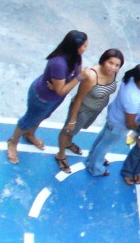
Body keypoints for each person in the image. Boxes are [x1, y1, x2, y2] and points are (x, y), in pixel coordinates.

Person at [6, 31, 88, 164]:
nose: (86, 48)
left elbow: (72, 77)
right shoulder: (58, 63)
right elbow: (62, 89)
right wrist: (78, 78)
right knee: (28, 120)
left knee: (43, 116)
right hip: (42, 98)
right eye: (84, 46)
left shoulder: (76, 57)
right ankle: (13, 141)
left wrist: (66, 83)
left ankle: (29, 134)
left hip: (54, 98)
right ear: (74, 47)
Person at [55, 48, 124, 173]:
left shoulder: (113, 73)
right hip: (82, 110)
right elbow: (79, 98)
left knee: (75, 131)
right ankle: (60, 155)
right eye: (110, 63)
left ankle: (68, 143)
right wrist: (72, 119)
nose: (113, 68)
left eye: (117, 65)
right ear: (103, 61)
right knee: (67, 130)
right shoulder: (92, 76)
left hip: (95, 110)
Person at [85, 64, 140, 177]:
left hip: (113, 117)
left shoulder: (131, 79)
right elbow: (130, 123)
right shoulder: (133, 98)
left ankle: (92, 158)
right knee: (105, 145)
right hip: (119, 126)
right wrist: (139, 130)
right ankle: (95, 168)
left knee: (102, 139)